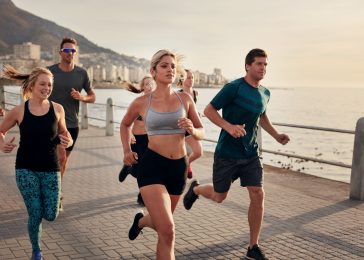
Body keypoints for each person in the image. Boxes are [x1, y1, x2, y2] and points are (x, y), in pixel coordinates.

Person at [183, 49, 290, 260]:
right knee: (219, 196)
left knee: (258, 194)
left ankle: (253, 247)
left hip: (251, 153)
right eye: (259, 64)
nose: (263, 68)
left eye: (266, 64)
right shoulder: (234, 87)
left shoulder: (265, 93)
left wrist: (276, 135)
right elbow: (209, 110)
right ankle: (196, 190)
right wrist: (228, 126)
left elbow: (262, 116)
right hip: (227, 154)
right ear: (248, 66)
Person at [120, 50, 204, 259]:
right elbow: (124, 124)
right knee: (169, 230)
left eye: (173, 66)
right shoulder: (142, 102)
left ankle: (140, 221)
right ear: (154, 71)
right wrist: (127, 151)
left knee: (162, 230)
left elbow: (201, 131)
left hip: (178, 169)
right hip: (152, 167)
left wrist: (192, 129)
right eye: (164, 66)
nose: (170, 69)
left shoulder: (185, 99)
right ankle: (142, 221)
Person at [0, 65, 73, 260]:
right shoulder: (19, 111)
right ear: (32, 85)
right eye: (43, 84)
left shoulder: (58, 109)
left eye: (49, 85)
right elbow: (0, 130)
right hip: (25, 168)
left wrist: (69, 141)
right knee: (35, 212)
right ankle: (36, 251)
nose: (47, 88)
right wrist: (2, 145)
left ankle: (52, 202)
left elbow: (65, 134)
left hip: (51, 168)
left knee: (50, 214)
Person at [48, 37, 96, 211]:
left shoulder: (81, 73)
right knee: (57, 158)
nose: (70, 53)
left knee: (63, 160)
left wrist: (82, 97)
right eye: (67, 50)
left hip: (71, 125)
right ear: (60, 52)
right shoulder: (50, 71)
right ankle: (55, 194)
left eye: (73, 51)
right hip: (50, 123)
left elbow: (93, 96)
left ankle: (56, 192)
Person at [118, 75, 155, 206]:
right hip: (137, 140)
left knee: (148, 169)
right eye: (146, 84)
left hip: (150, 141)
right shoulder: (138, 103)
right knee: (141, 170)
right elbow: (126, 124)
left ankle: (142, 194)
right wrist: (130, 136)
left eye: (151, 83)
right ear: (142, 87)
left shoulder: (158, 103)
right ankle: (130, 170)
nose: (149, 86)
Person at [177, 69, 203, 178]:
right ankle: (185, 166)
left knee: (192, 152)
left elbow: (192, 109)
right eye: (188, 77)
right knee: (197, 151)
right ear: (182, 79)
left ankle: (185, 165)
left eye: (192, 77)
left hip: (192, 127)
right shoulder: (178, 94)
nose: (191, 80)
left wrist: (197, 113)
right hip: (182, 127)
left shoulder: (195, 93)